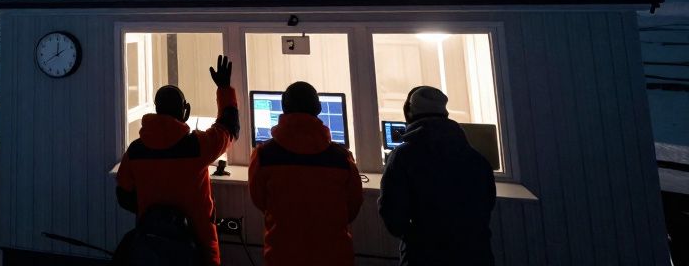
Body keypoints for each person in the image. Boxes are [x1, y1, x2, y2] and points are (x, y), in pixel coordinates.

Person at [115, 55, 240, 265]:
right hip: (198, 247)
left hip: (150, 248)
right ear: (186, 110)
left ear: (156, 109)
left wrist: (155, 213)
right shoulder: (198, 146)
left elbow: (123, 195)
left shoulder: (136, 150)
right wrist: (224, 88)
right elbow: (229, 128)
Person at [248, 81, 363, 266]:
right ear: (318, 108)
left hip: (281, 256)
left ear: (284, 108)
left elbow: (260, 200)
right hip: (334, 256)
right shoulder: (342, 159)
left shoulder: (264, 155)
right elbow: (353, 206)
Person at [379, 86, 496, 266]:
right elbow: (486, 206)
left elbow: (394, 219)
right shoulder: (475, 158)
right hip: (477, 255)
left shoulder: (404, 157)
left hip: (423, 257)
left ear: (408, 113)